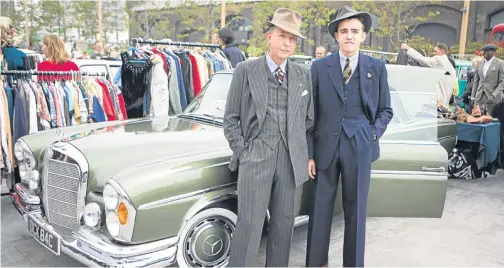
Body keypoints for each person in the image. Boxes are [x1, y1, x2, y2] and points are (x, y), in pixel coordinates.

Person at [223, 8, 314, 267]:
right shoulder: (245, 69)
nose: (287, 42)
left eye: (292, 38)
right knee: (249, 225)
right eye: (282, 35)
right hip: (256, 157)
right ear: (269, 36)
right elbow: (230, 119)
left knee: (284, 227)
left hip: (291, 162)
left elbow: (309, 119)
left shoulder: (302, 74)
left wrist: (300, 150)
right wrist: (244, 152)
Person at [306, 6, 393, 267]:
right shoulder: (319, 67)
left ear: (363, 36)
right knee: (320, 209)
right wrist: (309, 153)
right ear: (336, 36)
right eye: (344, 31)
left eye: (355, 31)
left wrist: (372, 134)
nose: (349, 36)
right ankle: (315, 262)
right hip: (325, 146)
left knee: (356, 212)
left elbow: (386, 110)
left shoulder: (376, 67)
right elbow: (310, 114)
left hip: (359, 145)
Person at [400, 42, 457, 107]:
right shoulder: (449, 66)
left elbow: (421, 59)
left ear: (442, 51)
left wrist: (408, 48)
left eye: (435, 51)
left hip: (438, 103)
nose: (434, 53)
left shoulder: (439, 60)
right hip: (444, 103)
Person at [471, 44, 504, 115]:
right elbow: (476, 81)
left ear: (494, 52)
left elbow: (502, 82)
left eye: (488, 51)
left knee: (492, 120)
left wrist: (494, 95)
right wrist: (473, 97)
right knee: (476, 119)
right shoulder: (480, 63)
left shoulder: (500, 63)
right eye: (484, 51)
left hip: (493, 98)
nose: (485, 52)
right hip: (479, 97)